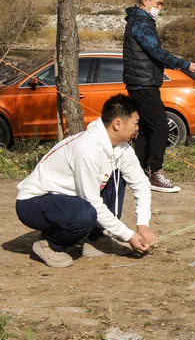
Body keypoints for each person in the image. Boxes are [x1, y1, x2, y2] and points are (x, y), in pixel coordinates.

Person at [16, 94, 156, 268]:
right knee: (86, 214)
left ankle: (95, 239)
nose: (137, 128)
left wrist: (142, 224)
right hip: (33, 203)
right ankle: (50, 244)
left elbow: (141, 184)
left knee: (115, 178)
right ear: (117, 124)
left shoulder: (122, 148)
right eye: (135, 123)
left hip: (67, 200)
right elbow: (92, 202)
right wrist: (129, 236)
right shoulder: (87, 149)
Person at [123, 0, 195, 193]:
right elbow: (155, 51)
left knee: (147, 130)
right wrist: (185, 64)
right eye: (159, 3)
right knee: (160, 127)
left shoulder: (141, 21)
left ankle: (139, 173)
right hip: (143, 83)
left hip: (142, 82)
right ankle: (156, 173)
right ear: (146, 1)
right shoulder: (140, 22)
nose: (160, 8)